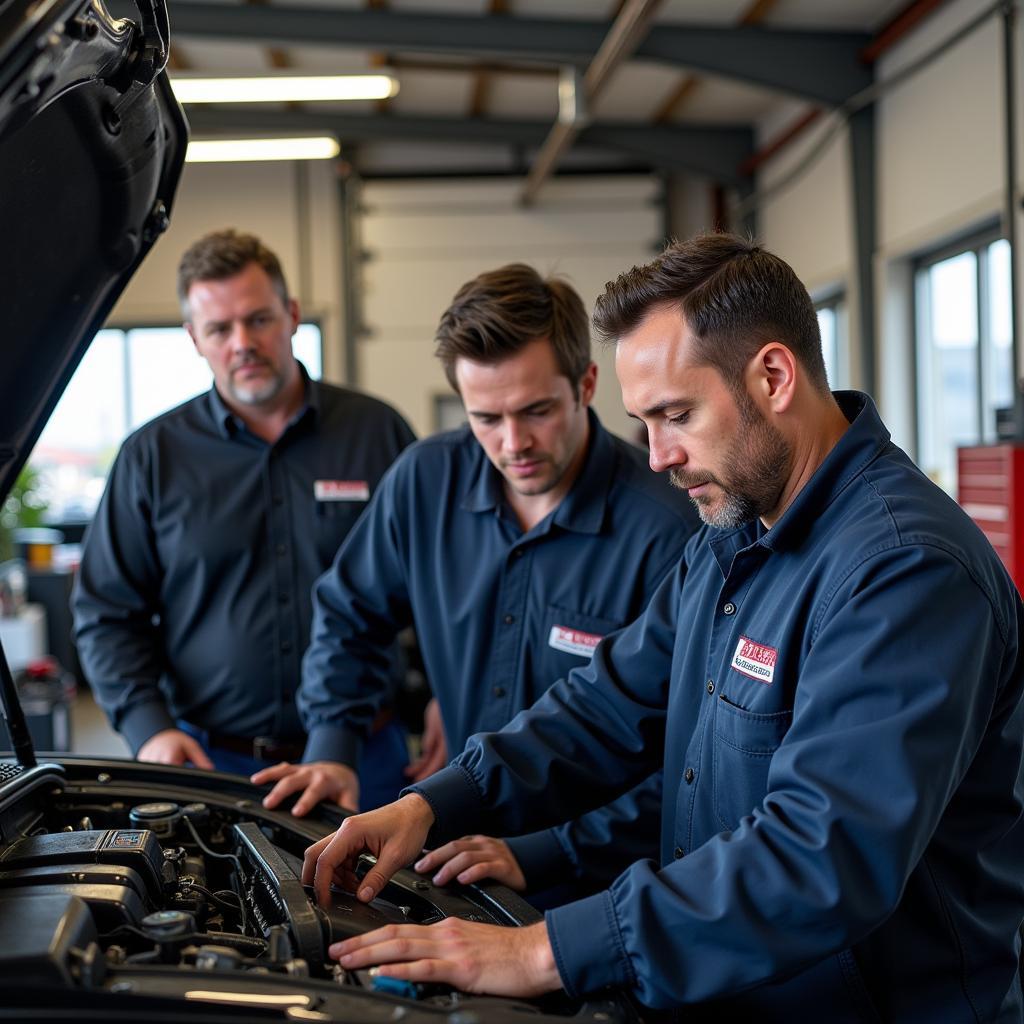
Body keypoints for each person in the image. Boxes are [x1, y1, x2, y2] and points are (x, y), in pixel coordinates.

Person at [303, 234, 1024, 1021]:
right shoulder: (733, 535)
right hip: (726, 990)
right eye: (644, 422)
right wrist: (433, 803)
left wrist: (544, 950)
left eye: (676, 415)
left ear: (773, 377)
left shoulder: (905, 570)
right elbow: (608, 706)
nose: (655, 456)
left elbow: (819, 859)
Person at [259, 262, 698, 898]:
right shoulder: (423, 482)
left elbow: (686, 755)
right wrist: (333, 745)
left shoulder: (669, 530)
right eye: (485, 418)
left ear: (587, 383)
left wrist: (544, 851)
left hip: (600, 883)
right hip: (450, 855)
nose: (513, 441)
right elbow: (350, 612)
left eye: (537, 410)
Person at [73, 228, 416, 810]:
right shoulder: (152, 457)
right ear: (193, 337)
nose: (242, 343)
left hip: (367, 755)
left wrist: (436, 699)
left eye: (258, 319)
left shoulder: (378, 434)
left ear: (291, 315)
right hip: (213, 765)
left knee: (382, 903)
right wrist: (147, 725)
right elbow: (107, 610)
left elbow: (435, 584)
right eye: (219, 328)